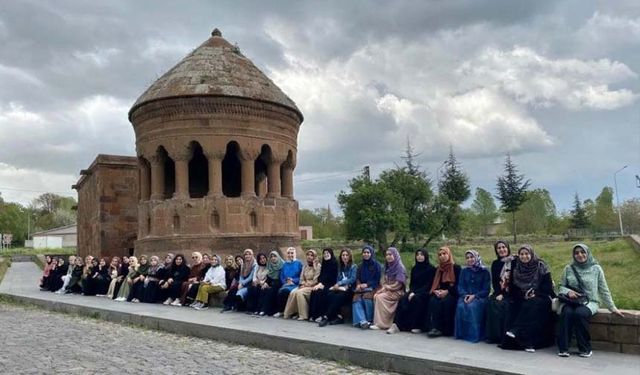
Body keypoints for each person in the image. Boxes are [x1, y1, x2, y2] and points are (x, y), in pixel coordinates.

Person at [556, 243, 625, 358]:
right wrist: (568, 292)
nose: (580, 255)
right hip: (571, 301)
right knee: (566, 313)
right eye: (576, 253)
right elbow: (561, 286)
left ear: (587, 253)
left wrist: (612, 308)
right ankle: (563, 348)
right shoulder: (569, 268)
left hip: (590, 302)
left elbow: (603, 290)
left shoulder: (596, 269)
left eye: (582, 252)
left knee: (579, 314)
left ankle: (584, 348)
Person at [502, 244, 555, 353]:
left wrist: (534, 293)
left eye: (527, 254)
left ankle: (517, 332)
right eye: (521, 254)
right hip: (522, 296)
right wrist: (524, 295)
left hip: (541, 296)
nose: (524, 256)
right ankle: (524, 343)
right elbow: (513, 288)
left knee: (531, 305)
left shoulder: (541, 266)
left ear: (531, 254)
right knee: (514, 306)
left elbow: (547, 287)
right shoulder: (516, 267)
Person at [391, 248, 435, 333]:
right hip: (414, 291)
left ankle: (417, 326)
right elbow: (412, 284)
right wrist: (411, 292)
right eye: (417, 255)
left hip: (425, 292)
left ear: (425, 256)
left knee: (416, 299)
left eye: (421, 255)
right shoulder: (415, 268)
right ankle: (397, 325)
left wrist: (415, 293)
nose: (419, 257)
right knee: (403, 299)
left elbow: (428, 285)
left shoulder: (431, 268)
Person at [454, 250, 491, 343]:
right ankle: (462, 334)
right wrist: (465, 295)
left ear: (477, 257)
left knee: (472, 307)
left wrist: (474, 296)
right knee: (461, 306)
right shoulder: (464, 271)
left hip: (480, 297)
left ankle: (474, 335)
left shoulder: (484, 271)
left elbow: (486, 290)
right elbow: (460, 286)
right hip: (465, 296)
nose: (470, 259)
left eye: (472, 257)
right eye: (468, 258)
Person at [426, 246, 461, 338]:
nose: (442, 256)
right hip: (439, 292)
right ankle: (435, 328)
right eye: (440, 255)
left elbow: (459, 284)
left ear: (449, 254)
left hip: (452, 293)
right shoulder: (438, 269)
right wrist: (437, 292)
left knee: (446, 302)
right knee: (433, 301)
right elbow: (434, 284)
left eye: (444, 254)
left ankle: (447, 329)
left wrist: (447, 291)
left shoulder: (456, 268)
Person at [318, 248, 357, 327]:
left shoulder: (353, 266)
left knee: (338, 297)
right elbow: (338, 278)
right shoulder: (340, 267)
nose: (345, 257)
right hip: (340, 288)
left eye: (346, 255)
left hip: (349, 289)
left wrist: (340, 283)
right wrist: (338, 285)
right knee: (329, 294)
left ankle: (326, 317)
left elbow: (352, 279)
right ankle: (338, 317)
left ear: (350, 256)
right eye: (343, 255)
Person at [371, 247, 406, 332]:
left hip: (397, 291)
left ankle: (382, 324)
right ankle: (380, 322)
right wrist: (383, 289)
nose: (388, 256)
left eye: (390, 254)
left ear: (395, 255)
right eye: (387, 255)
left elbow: (398, 284)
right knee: (376, 295)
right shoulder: (388, 267)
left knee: (380, 297)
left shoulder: (399, 267)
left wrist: (387, 288)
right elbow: (384, 282)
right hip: (389, 290)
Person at [485, 240, 514, 343]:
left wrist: (505, 294)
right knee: (492, 303)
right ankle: (493, 336)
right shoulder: (495, 263)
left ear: (508, 248)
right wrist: (499, 293)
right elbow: (495, 282)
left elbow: (515, 282)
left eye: (504, 247)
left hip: (512, 292)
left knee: (504, 305)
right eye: (499, 248)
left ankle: (503, 336)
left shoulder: (514, 261)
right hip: (499, 292)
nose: (502, 249)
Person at [284, 249, 321, 320]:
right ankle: (292, 313)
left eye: (311, 255)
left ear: (314, 257)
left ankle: (304, 315)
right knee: (293, 292)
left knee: (299, 293)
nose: (309, 257)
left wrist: (314, 268)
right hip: (303, 285)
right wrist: (303, 284)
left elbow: (316, 280)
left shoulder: (318, 266)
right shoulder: (305, 266)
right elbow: (301, 278)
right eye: (308, 255)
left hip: (312, 287)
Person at [352, 245, 382, 329]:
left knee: (367, 297)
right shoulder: (360, 266)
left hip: (373, 287)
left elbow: (377, 279)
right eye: (364, 252)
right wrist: (358, 284)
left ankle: (369, 319)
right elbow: (357, 277)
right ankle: (362, 321)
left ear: (371, 253)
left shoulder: (377, 265)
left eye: (368, 252)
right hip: (361, 287)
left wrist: (367, 284)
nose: (366, 254)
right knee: (356, 299)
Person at [309, 248, 338, 322]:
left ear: (331, 254)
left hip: (331, 284)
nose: (326, 255)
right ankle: (313, 315)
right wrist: (320, 283)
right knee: (314, 291)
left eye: (327, 253)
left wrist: (322, 284)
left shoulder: (334, 263)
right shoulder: (324, 263)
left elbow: (332, 277)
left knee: (321, 293)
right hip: (323, 284)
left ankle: (321, 315)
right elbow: (321, 276)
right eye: (324, 253)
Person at [274, 247, 303, 317]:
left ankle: (288, 311)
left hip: (295, 284)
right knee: (279, 291)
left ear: (295, 254)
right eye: (289, 253)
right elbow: (282, 276)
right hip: (286, 284)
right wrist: (285, 282)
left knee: (284, 292)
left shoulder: (299, 263)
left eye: (292, 253)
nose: (290, 255)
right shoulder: (285, 264)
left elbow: (302, 276)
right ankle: (281, 311)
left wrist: (293, 280)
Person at [255, 251, 284, 316]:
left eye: (275, 256)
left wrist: (270, 284)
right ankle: (259, 309)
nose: (273, 258)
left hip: (280, 283)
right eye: (271, 257)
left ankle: (265, 310)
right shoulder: (270, 265)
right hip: (272, 282)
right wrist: (266, 283)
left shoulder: (282, 265)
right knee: (263, 289)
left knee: (271, 291)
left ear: (278, 257)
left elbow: (281, 277)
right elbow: (269, 277)